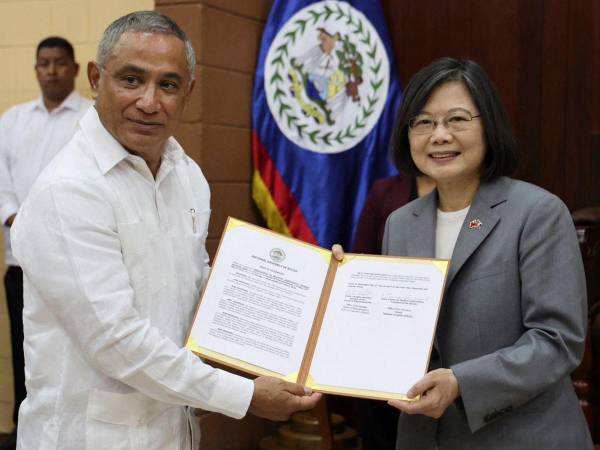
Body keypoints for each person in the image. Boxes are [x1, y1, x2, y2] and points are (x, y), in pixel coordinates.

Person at [10, 11, 320, 450]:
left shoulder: (187, 175)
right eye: (131, 80)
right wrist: (244, 395)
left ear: (189, 92)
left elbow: (198, 286)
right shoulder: (69, 190)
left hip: (174, 430)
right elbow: (116, 341)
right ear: (97, 79)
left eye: (168, 84)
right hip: (89, 437)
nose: (149, 102)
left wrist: (309, 298)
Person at [380, 57, 593, 449]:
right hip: (425, 437)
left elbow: (557, 340)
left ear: (489, 126)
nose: (439, 135)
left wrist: (461, 382)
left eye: (457, 119)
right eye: (423, 122)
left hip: (520, 437)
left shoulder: (538, 214)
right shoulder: (400, 223)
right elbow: (394, 331)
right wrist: (339, 288)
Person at [0, 36, 92, 450]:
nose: (51, 70)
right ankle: (27, 434)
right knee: (26, 356)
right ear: (36, 69)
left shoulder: (93, 118)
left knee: (74, 356)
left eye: (59, 63)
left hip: (78, 263)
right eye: (43, 63)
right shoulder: (12, 120)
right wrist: (17, 219)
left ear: (75, 69)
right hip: (21, 263)